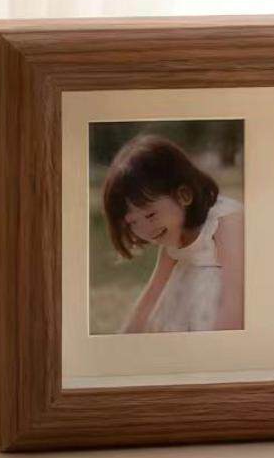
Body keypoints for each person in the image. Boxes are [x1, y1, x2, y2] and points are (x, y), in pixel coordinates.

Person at [101, 134, 244, 332]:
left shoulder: (225, 220)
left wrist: (220, 345)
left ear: (184, 195)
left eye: (150, 215)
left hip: (228, 322)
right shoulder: (173, 238)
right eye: (133, 222)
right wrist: (124, 338)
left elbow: (235, 299)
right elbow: (152, 294)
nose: (145, 230)